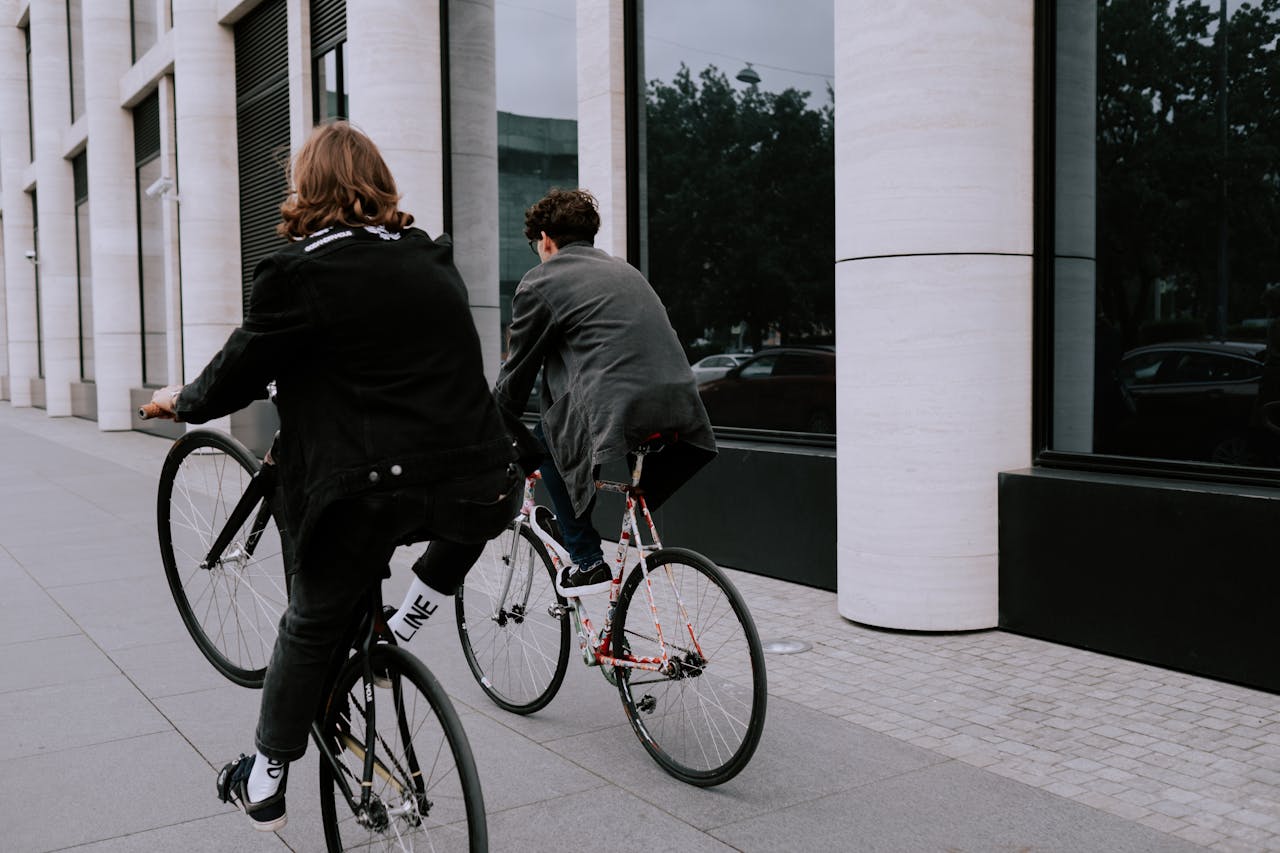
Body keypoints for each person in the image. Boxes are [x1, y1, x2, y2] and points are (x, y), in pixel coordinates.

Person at [147, 121, 518, 831]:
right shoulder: (430, 257)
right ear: (376, 183)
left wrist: (182, 400)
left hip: (370, 488)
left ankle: (264, 773)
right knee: (460, 513)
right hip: (481, 478)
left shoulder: (297, 272)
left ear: (306, 189)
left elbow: (240, 370)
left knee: (311, 622)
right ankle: (406, 618)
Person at [494, 188, 717, 595]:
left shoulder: (541, 281)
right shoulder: (626, 271)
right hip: (680, 405)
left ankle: (586, 559)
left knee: (546, 440)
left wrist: (492, 423)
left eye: (535, 244)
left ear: (545, 238)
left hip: (619, 408)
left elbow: (516, 377)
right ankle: (616, 634)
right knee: (575, 437)